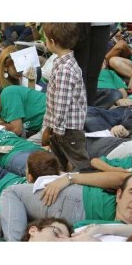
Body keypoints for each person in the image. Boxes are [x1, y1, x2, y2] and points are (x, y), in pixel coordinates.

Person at [0, 172, 132, 241]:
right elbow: (121, 178)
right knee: (10, 191)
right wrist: (70, 177)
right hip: (76, 199)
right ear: (119, 195)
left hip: (74, 214)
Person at [41, 23, 90, 172]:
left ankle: (87, 184)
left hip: (66, 128)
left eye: (46, 40)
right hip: (60, 127)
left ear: (53, 42)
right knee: (58, 161)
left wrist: (57, 130)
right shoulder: (63, 62)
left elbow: (62, 103)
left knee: (80, 163)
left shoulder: (65, 69)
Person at [73, 23, 111, 105]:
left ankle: (89, 109)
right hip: (79, 24)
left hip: (102, 23)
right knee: (79, 73)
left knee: (93, 74)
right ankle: (78, 110)